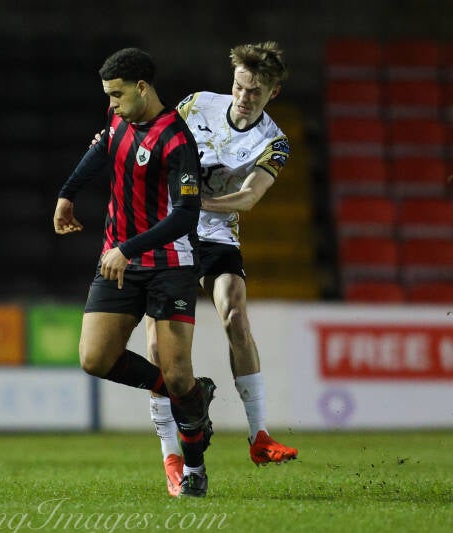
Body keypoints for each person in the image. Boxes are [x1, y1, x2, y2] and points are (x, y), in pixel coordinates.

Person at [53, 47, 215, 498]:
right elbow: (101, 147)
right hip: (119, 260)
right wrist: (67, 195)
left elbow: (186, 216)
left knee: (177, 373)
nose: (112, 104)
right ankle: (192, 400)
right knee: (94, 359)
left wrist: (128, 248)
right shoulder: (121, 121)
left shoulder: (178, 140)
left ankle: (195, 470)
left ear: (142, 87)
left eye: (118, 94)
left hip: (169, 265)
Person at [145, 41, 299, 497]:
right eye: (239, 86)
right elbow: (157, 138)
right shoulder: (197, 104)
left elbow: (250, 197)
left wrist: (200, 202)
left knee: (235, 313)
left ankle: (259, 436)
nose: (243, 97)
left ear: (273, 92)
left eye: (255, 91)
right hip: (171, 228)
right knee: (158, 341)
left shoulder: (273, 142)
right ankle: (172, 455)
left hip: (217, 232)